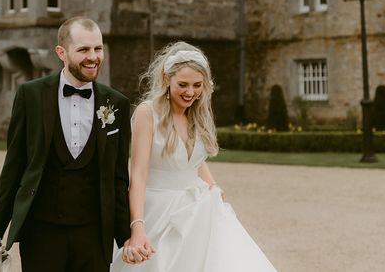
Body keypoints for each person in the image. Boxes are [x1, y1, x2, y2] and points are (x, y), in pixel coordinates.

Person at [0, 17, 134, 272]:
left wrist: (127, 235)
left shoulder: (117, 103)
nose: (93, 57)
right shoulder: (31, 95)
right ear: (61, 52)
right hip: (41, 233)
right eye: (83, 50)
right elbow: (13, 169)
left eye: (98, 48)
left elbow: (118, 178)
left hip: (93, 236)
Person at [111, 41, 278, 271]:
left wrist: (214, 186)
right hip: (159, 212)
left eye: (197, 85)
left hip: (200, 208)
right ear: (166, 78)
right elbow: (138, 175)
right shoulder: (147, 113)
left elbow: (194, 162)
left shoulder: (197, 115)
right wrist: (137, 227)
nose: (190, 92)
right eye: (183, 84)